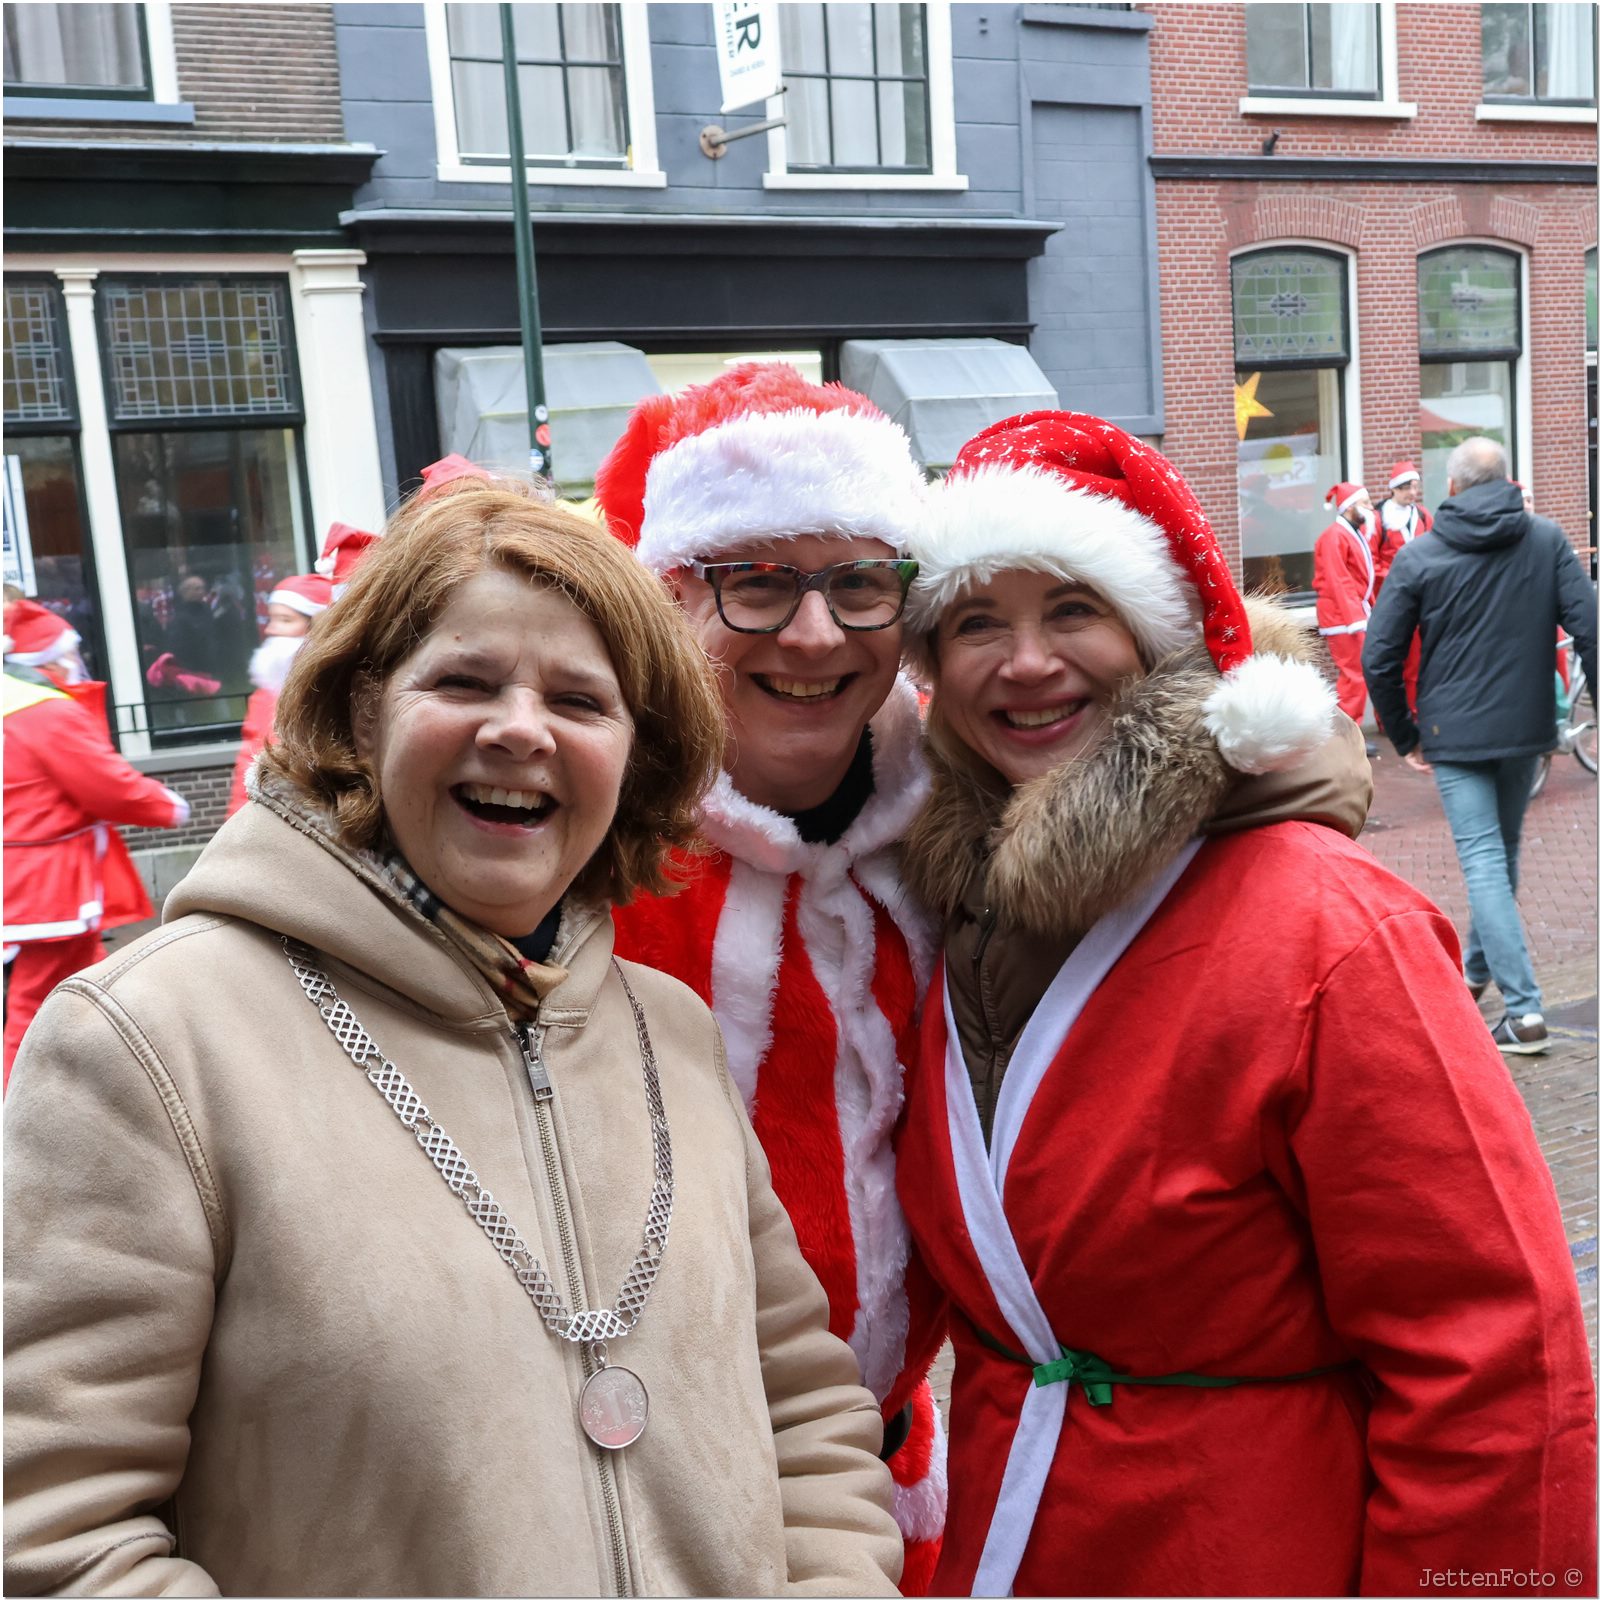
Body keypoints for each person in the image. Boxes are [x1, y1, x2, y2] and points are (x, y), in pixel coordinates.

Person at [4, 478, 904, 1597]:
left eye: (580, 701)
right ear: (364, 712)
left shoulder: (665, 1026)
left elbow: (806, 1413)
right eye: (466, 681)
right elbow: (56, 1534)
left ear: (635, 756)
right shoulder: (150, 1043)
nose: (519, 728)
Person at [892, 411, 1596, 1597]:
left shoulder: (1331, 931)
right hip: (1012, 1537)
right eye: (975, 623)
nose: (1022, 662)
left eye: (1073, 610)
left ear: (1161, 638)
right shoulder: (950, 920)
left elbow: (1494, 1357)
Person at [595, 363, 948, 1592]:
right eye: (758, 582)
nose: (814, 634)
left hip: (908, 1497)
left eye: (859, 583)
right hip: (643, 1518)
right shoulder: (574, 856)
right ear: (675, 599)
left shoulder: (968, 831)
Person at [1365, 435, 1598, 1058]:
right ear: (1508, 480)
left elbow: (1378, 657)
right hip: (1526, 729)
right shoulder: (1546, 541)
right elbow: (1590, 626)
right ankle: (1473, 972)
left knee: (1483, 859)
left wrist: (1405, 735)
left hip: (1454, 735)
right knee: (1503, 851)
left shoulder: (1421, 556)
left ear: (1453, 488)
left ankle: (1524, 1013)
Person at [3, 601, 188, 1085]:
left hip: (34, 876)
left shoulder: (17, 710)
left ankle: (106, 1077)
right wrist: (167, 806)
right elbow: (104, 783)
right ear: (49, 660)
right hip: (51, 881)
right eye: (70, 654)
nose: (77, 663)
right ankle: (14, 1105)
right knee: (34, 1003)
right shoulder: (45, 712)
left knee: (93, 978)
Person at [226, 524, 378, 816]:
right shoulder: (266, 694)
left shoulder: (338, 690)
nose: (271, 629)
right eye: (272, 619)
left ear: (314, 628)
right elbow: (249, 770)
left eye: (285, 621)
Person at [1313, 480, 1377, 743]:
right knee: (1354, 676)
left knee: (1356, 675)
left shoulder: (1349, 533)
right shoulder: (1335, 537)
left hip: (1351, 616)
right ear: (1350, 507)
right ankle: (1349, 739)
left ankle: (1351, 734)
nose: (1371, 508)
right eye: (1366, 503)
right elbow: (1339, 580)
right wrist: (1355, 620)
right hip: (1344, 619)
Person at [1372, 461, 1430, 712]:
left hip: (1419, 597)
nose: (1412, 492)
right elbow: (1370, 561)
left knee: (1417, 658)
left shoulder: (1424, 516)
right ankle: (1387, 716)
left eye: (1415, 487)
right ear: (1394, 488)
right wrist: (1395, 577)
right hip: (1389, 597)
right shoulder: (1378, 519)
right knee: (1391, 657)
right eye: (1406, 487)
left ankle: (1414, 711)